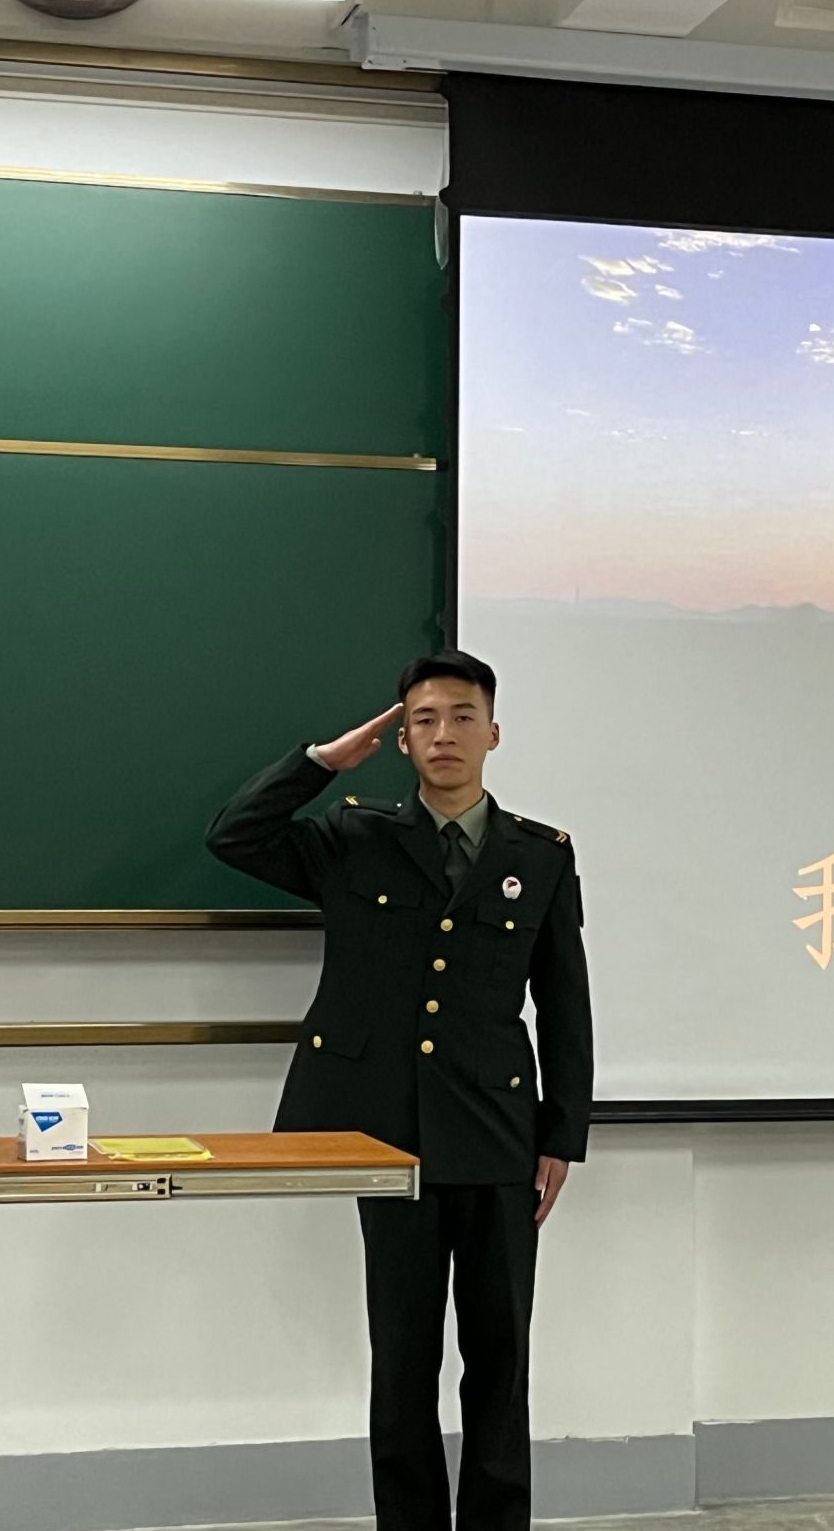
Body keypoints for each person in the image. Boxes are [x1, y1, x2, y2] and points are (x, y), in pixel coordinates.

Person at [206, 649, 593, 1531]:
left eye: (462, 716)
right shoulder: (355, 838)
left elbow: (564, 1003)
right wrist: (321, 762)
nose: (444, 733)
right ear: (403, 740)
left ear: (494, 734)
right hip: (390, 1137)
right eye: (424, 720)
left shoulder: (540, 856)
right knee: (404, 1361)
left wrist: (561, 1134)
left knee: (500, 1361)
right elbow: (234, 836)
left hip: (497, 1135)